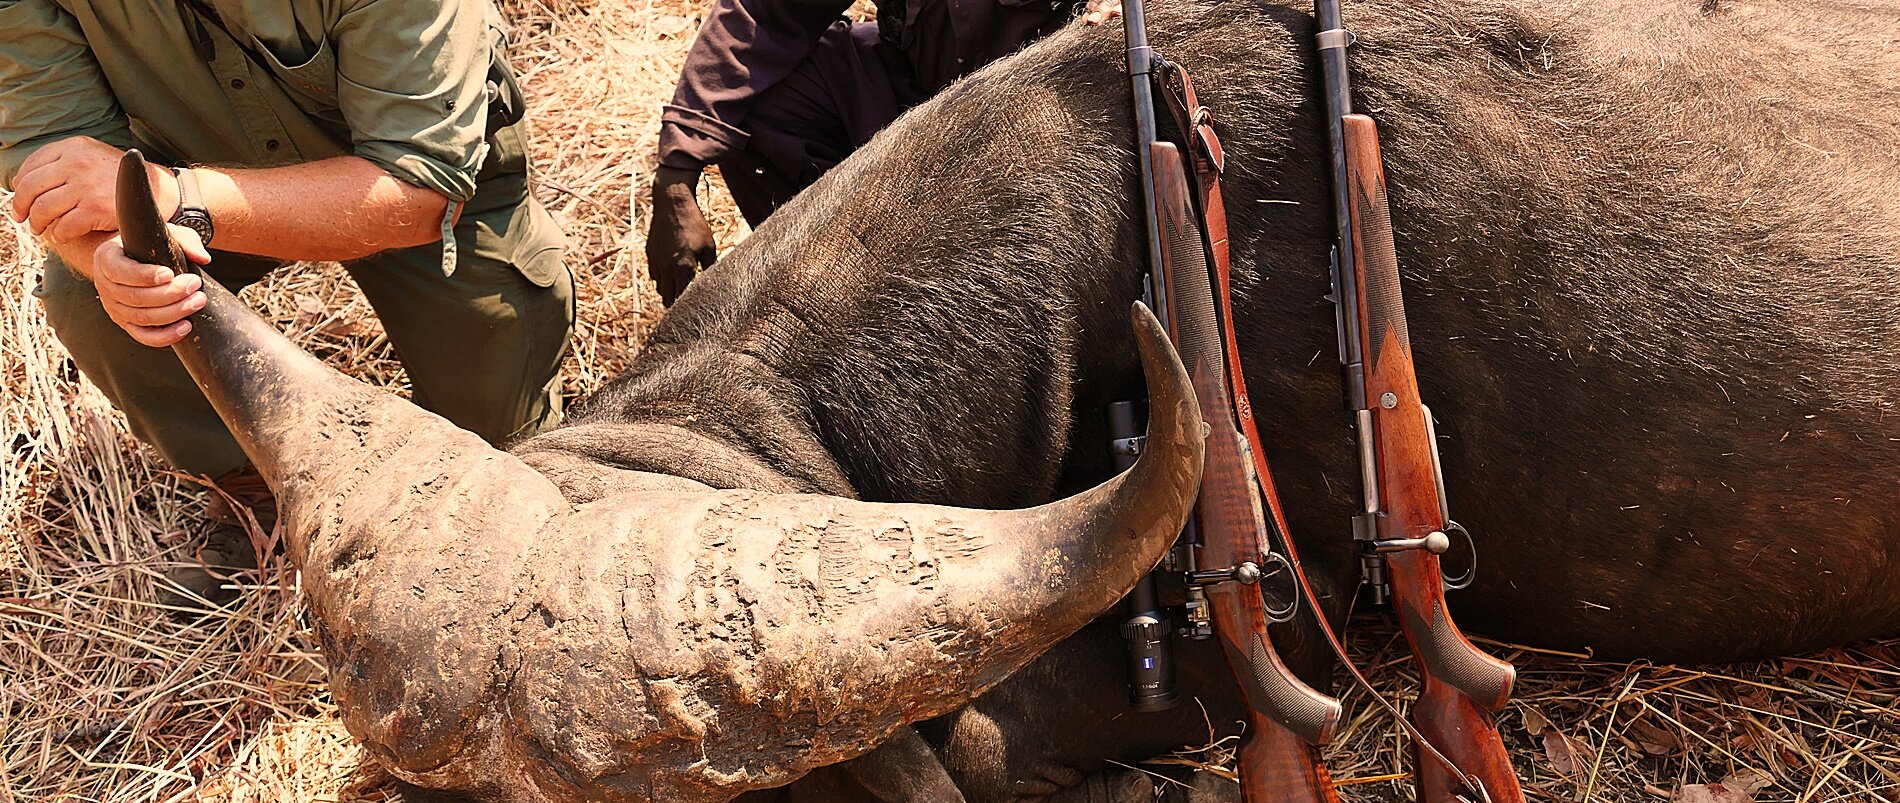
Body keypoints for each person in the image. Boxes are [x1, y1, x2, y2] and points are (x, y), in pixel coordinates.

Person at [1, 1, 574, 602]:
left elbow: (419, 187)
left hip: (425, 196)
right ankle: (256, 493)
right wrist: (111, 255)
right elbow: (55, 156)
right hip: (194, 167)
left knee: (505, 453)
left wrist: (179, 195)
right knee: (94, 301)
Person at [647, 0, 1117, 304]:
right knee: (762, 99)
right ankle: (845, 303)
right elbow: (760, 16)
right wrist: (676, 174)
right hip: (921, 99)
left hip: (1059, 128)